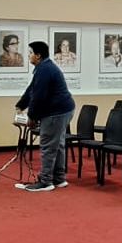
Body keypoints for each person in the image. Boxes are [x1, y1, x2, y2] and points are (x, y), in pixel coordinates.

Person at [14, 41, 76, 192]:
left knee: (48, 145)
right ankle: (59, 179)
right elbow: (32, 90)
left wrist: (32, 116)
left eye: (30, 53)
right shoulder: (44, 67)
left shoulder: (44, 69)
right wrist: (20, 105)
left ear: (38, 55)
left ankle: (46, 181)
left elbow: (39, 96)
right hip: (65, 109)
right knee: (58, 144)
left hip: (56, 112)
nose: (29, 56)